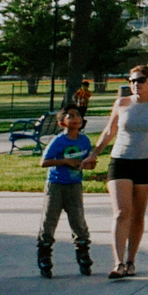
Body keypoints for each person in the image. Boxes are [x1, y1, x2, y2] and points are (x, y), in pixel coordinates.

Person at [95, 65, 148, 279]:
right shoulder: (122, 104)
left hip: (146, 163)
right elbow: (109, 131)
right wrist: (94, 154)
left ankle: (131, 261)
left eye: (140, 80)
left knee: (138, 214)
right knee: (121, 212)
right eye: (131, 80)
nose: (135, 84)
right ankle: (118, 263)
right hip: (121, 161)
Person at [36, 105, 96, 278]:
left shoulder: (84, 141)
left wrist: (89, 164)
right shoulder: (58, 141)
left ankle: (83, 251)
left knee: (78, 220)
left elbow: (87, 160)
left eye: (77, 116)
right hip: (56, 184)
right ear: (62, 122)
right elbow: (44, 162)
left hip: (74, 184)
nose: (75, 119)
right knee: (50, 219)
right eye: (70, 116)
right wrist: (64, 161)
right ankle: (44, 253)